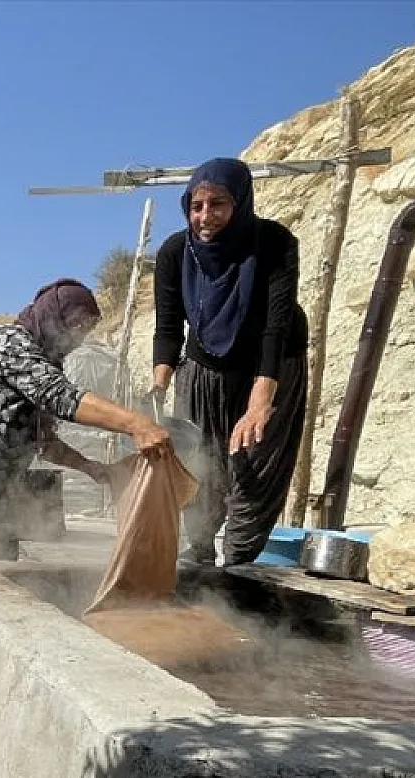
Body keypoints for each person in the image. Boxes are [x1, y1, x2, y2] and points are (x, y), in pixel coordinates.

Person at [0, 278, 172, 593]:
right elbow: (60, 396)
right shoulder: (10, 344)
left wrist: (91, 468)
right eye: (75, 326)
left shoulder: (43, 363)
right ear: (53, 316)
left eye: (85, 330)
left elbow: (44, 441)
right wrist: (137, 424)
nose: (78, 338)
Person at [152, 157, 309, 567]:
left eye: (217, 204)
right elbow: (168, 327)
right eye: (196, 206)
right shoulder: (175, 252)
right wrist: (157, 390)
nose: (205, 216)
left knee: (254, 464)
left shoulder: (274, 243)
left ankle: (239, 563)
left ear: (239, 202)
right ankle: (200, 553)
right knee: (197, 460)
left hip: (271, 364)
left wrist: (260, 402)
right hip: (205, 366)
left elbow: (276, 326)